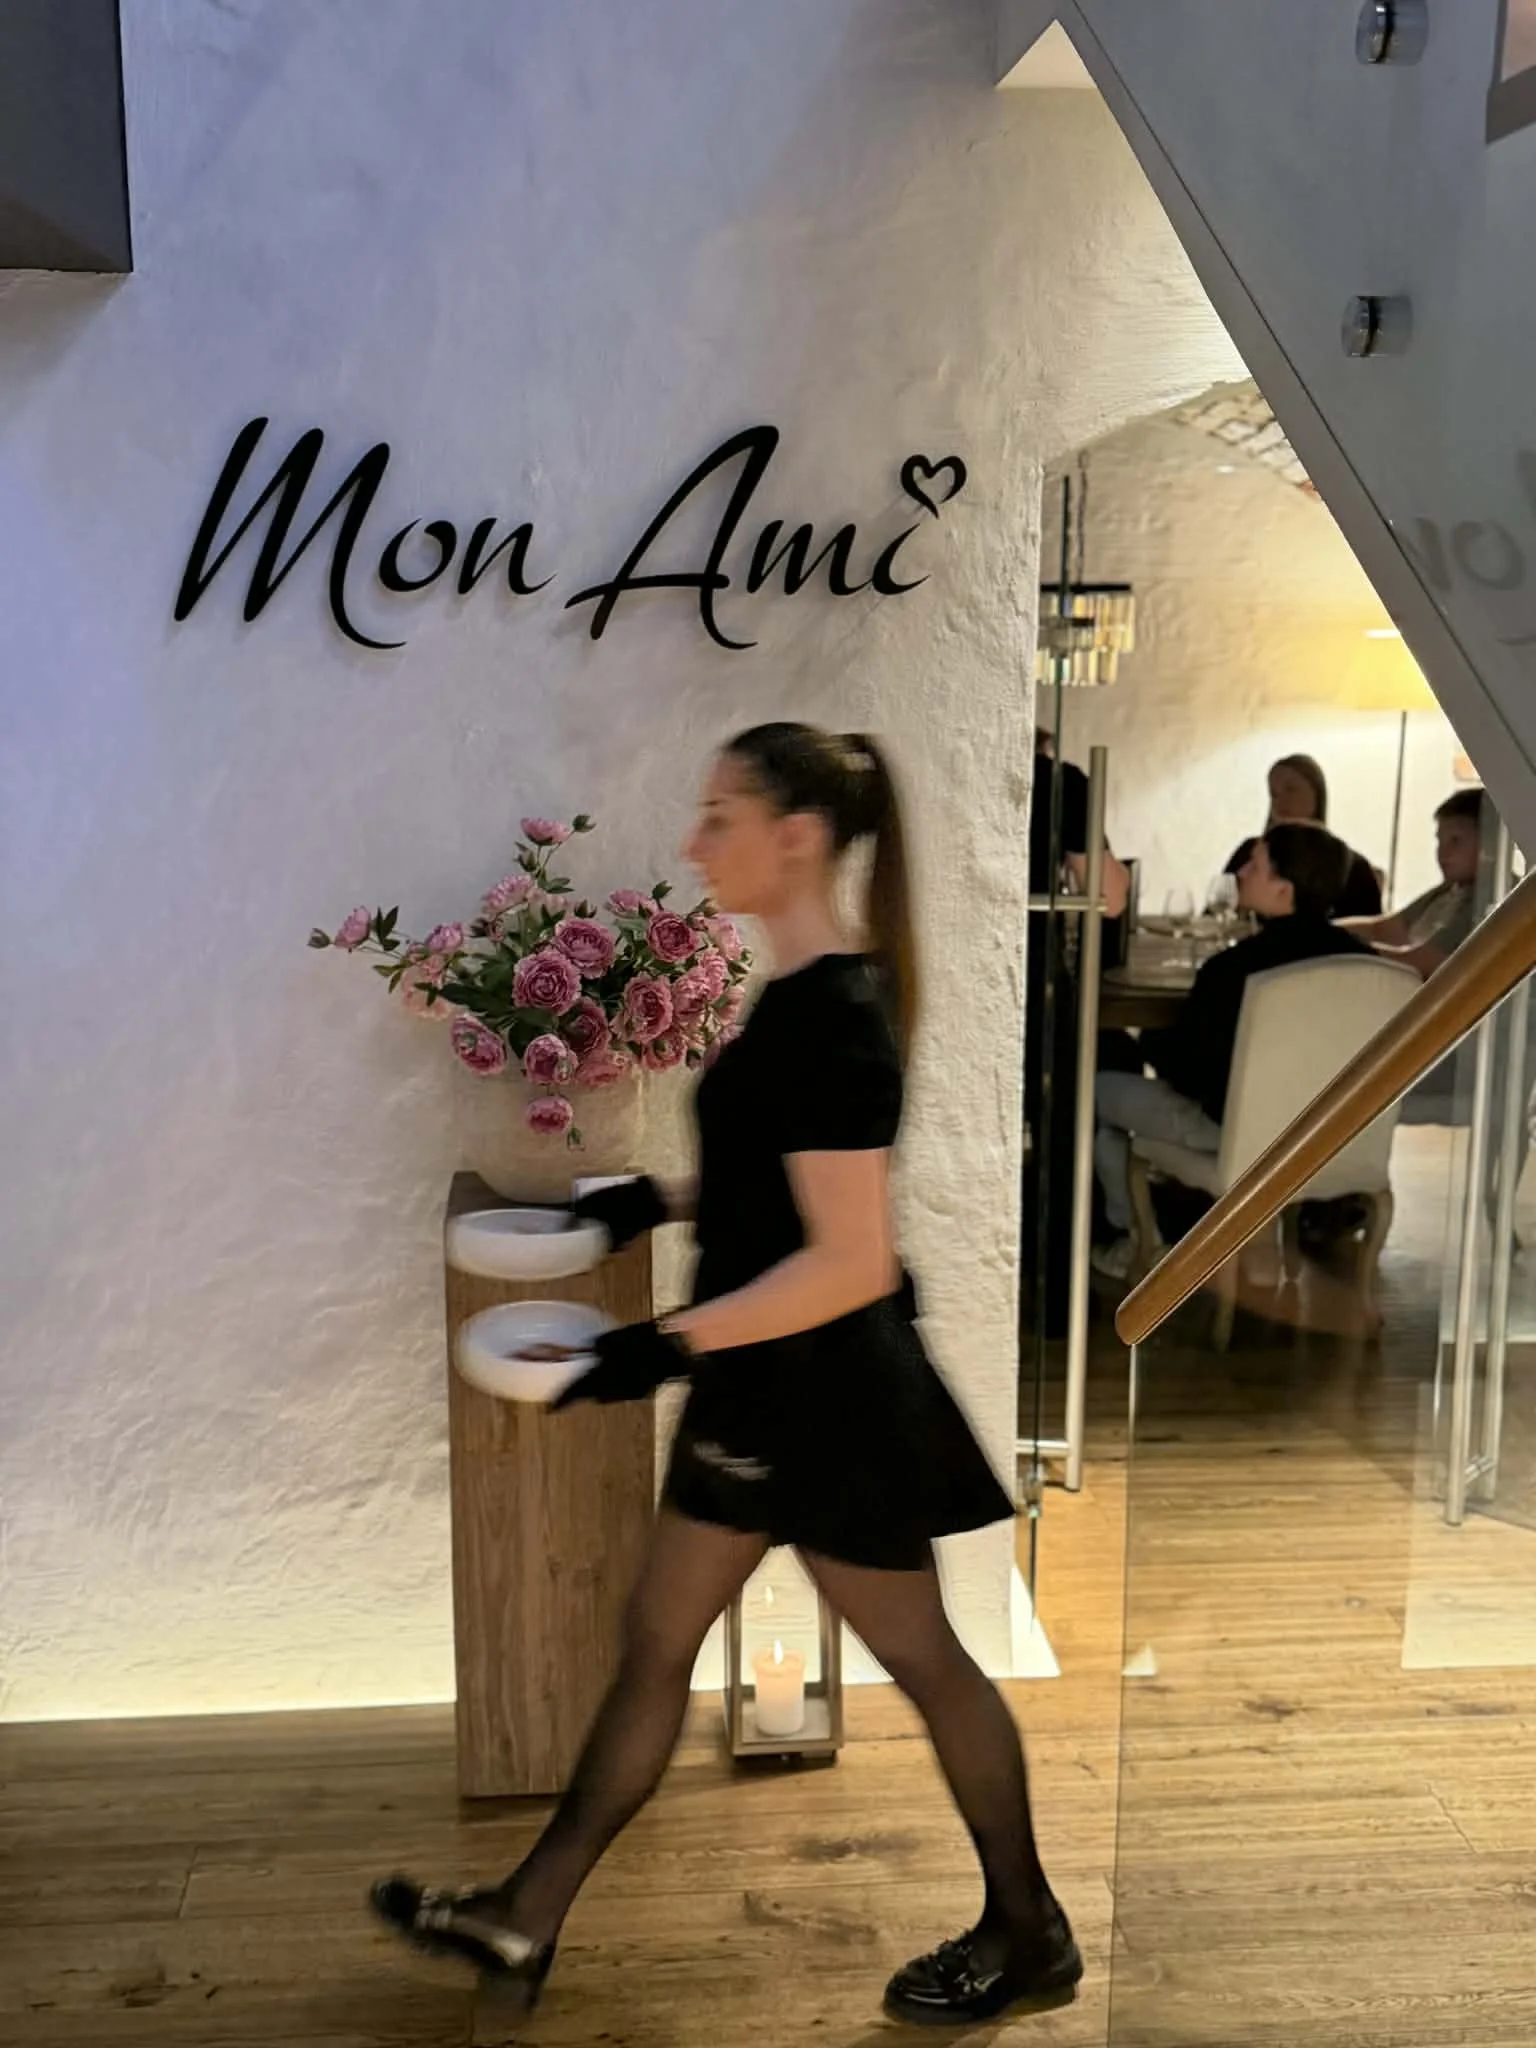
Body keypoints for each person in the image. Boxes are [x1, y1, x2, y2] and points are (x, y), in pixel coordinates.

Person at [371, 724, 1081, 2026]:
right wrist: (652, 1200)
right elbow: (780, 1179)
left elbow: (851, 1265)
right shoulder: (805, 996)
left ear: (794, 837)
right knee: (653, 1649)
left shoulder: (839, 1024)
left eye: (719, 815)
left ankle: (1028, 1931)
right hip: (763, 1388)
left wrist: (650, 1346)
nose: (697, 842)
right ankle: (522, 1926)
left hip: (830, 1408)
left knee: (928, 1665)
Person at [1091, 822, 1370, 1280]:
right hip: (1327, 1134)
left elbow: (1190, 1072)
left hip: (1238, 1133)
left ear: (1285, 889)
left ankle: (1137, 1244)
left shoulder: (1233, 969)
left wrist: (1149, 1041)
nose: (1240, 871)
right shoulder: (1367, 964)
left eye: (1255, 865)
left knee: (1097, 1093)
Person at [1025, 726, 1130, 1333]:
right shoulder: (1061, 783)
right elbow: (1107, 895)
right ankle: (1059, 1301)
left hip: (950, 972)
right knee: (1060, 1131)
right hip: (1036, 979)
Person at [1339, 787, 1485, 980]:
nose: (1443, 852)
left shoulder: (1485, 900)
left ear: (1488, 841)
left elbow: (1420, 963)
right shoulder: (1447, 891)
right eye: (1439, 841)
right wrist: (1320, 931)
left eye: (1456, 840)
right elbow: (1382, 930)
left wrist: (1338, 945)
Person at [1224, 753, 1382, 920]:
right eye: (1274, 794)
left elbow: (1370, 935)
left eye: (1291, 789)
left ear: (1316, 792)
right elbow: (1217, 911)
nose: (1281, 802)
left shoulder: (1352, 867)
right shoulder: (1249, 852)